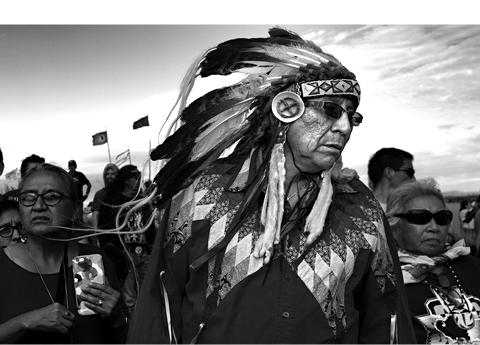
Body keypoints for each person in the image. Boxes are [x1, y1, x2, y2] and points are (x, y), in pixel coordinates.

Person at [127, 28, 415, 344]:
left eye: (352, 116)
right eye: (330, 110)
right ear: (286, 108)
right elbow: (159, 307)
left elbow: (386, 318)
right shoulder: (201, 195)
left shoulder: (361, 207)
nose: (344, 127)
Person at [0, 163, 128, 345]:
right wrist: (24, 322)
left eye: (52, 196)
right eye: (28, 197)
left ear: (75, 208)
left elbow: (130, 335)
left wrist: (118, 320)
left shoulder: (94, 260)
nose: (38, 206)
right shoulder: (2, 264)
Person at [386, 178, 480, 344]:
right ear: (393, 227)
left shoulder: (473, 266)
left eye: (442, 217)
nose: (434, 227)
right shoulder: (385, 280)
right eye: (420, 217)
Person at [97, 165, 156, 315]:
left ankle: (145, 328)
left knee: (147, 293)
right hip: (125, 253)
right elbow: (104, 229)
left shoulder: (142, 200)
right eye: (136, 177)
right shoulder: (113, 202)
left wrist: (152, 246)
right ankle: (131, 331)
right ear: (127, 180)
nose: (138, 180)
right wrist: (116, 251)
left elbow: (150, 226)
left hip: (144, 252)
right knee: (129, 298)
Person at [91, 163, 119, 230]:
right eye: (107, 174)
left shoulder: (123, 193)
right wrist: (96, 231)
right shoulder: (100, 194)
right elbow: (95, 214)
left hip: (121, 231)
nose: (110, 176)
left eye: (113, 174)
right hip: (105, 232)